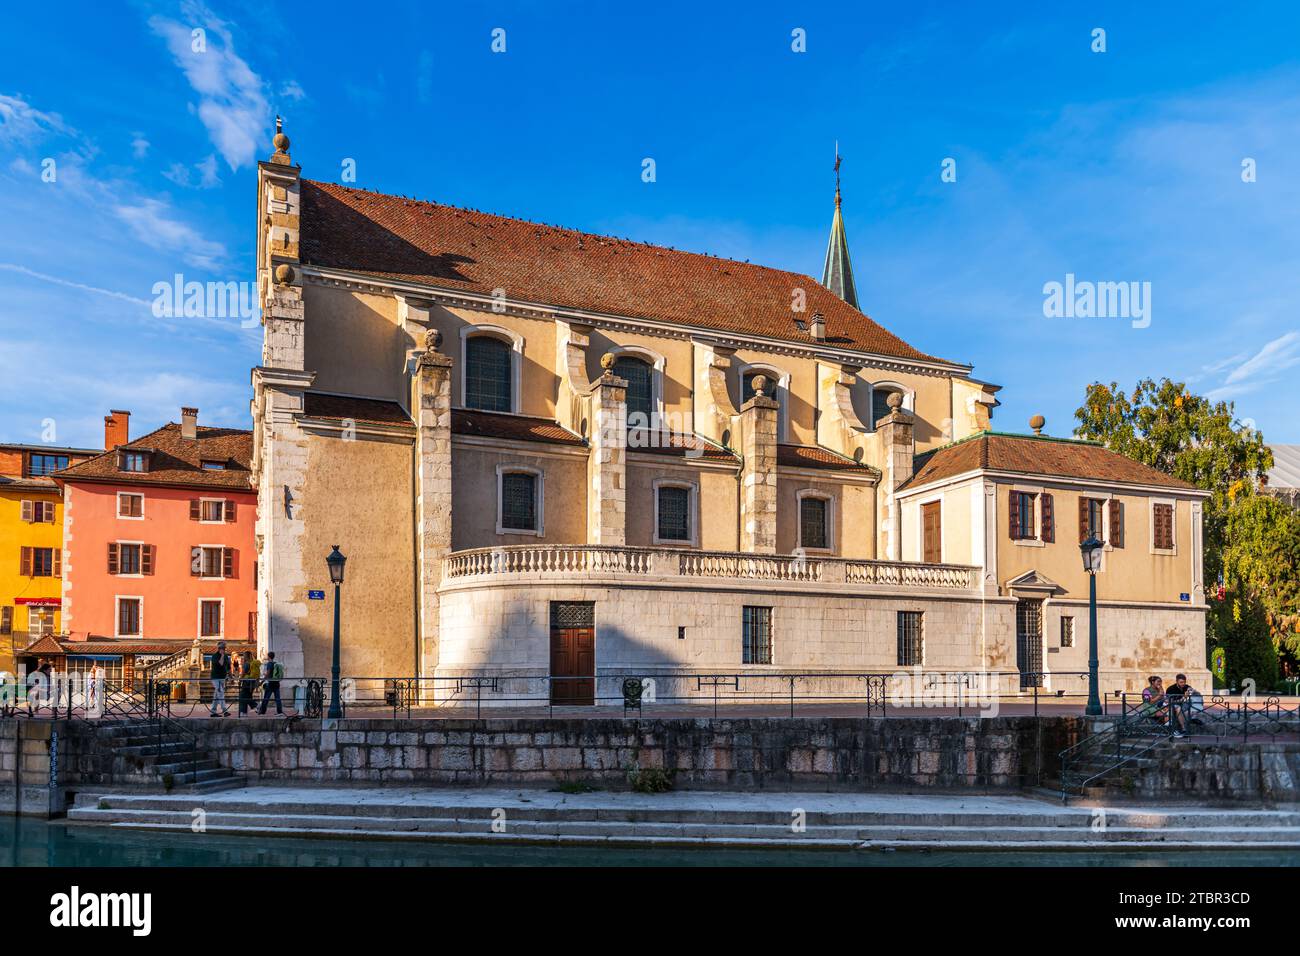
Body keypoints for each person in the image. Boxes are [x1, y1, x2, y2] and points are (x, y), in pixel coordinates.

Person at [1165, 673, 1198, 738]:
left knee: (1193, 707)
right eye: (1181, 682)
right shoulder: (1170, 689)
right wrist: (1183, 697)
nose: (1183, 684)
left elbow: (1192, 691)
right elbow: (1170, 701)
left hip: (1183, 705)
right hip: (1173, 705)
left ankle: (1186, 726)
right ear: (1177, 681)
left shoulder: (1186, 686)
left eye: (1184, 682)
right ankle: (1183, 729)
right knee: (1179, 709)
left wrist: (1191, 691)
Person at [257, 651, 284, 716]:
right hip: (276, 683)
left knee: (266, 698)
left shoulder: (269, 664)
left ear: (268, 656)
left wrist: (261, 682)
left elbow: (268, 674)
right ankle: (280, 712)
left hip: (271, 683)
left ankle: (262, 712)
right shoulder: (276, 663)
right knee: (277, 698)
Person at [209, 641, 232, 717]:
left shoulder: (226, 656)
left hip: (222, 678)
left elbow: (228, 667)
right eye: (223, 648)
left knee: (217, 695)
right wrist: (222, 655)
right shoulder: (214, 656)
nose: (224, 650)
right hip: (215, 678)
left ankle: (213, 712)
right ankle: (225, 711)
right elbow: (221, 664)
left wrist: (230, 676)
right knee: (221, 693)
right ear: (219, 649)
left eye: (224, 648)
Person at [238, 652, 261, 716]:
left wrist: (240, 680)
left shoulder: (247, 664)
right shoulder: (253, 663)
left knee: (242, 696)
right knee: (247, 696)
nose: (243, 657)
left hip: (247, 682)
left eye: (244, 656)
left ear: (246, 656)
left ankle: (255, 705)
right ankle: (244, 712)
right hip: (252, 682)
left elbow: (243, 673)